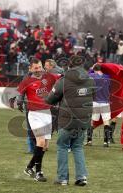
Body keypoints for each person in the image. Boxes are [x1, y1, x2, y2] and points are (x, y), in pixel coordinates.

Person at [45, 55, 95, 186]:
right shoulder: (90, 80)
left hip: (67, 120)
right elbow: (92, 96)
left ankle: (62, 178)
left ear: (70, 65)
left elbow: (50, 99)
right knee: (78, 147)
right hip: (83, 120)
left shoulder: (64, 80)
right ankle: (82, 177)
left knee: (62, 147)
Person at [17, 58, 57, 182]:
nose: (38, 69)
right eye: (35, 68)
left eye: (39, 67)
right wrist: (19, 101)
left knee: (45, 146)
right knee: (40, 142)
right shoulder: (26, 81)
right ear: (30, 69)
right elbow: (20, 94)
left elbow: (62, 77)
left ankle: (29, 167)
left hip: (47, 113)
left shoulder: (50, 77)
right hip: (34, 114)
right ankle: (39, 172)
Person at [85, 63, 112, 147]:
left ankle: (89, 141)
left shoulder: (91, 75)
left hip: (95, 102)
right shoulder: (107, 77)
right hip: (105, 102)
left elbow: (87, 74)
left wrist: (92, 68)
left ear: (94, 69)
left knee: (92, 122)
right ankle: (106, 142)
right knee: (106, 122)